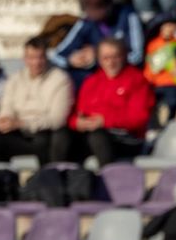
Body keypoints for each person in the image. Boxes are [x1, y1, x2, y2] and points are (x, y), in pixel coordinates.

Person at [51, 37, 154, 166]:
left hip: (126, 138)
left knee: (97, 136)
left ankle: (110, 181)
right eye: (106, 58)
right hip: (93, 134)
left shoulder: (137, 80)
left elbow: (139, 117)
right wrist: (77, 122)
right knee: (62, 135)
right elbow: (77, 112)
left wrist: (105, 120)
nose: (111, 63)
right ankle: (57, 177)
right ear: (99, 59)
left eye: (115, 57)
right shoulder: (92, 82)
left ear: (124, 57)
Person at [0, 36, 72, 165]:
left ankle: (47, 178)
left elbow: (57, 119)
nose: (36, 62)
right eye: (32, 58)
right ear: (24, 58)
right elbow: (7, 106)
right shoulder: (15, 79)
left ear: (46, 57)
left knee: (47, 137)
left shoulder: (60, 79)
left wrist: (23, 123)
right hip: (18, 133)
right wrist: (4, 119)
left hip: (44, 133)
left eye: (40, 57)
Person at [49, 0, 144, 90]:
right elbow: (57, 56)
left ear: (109, 6)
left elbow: (137, 57)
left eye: (99, 11)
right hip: (93, 78)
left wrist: (100, 58)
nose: (95, 17)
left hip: (123, 77)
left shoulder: (127, 16)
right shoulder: (87, 21)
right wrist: (71, 60)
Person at [142, 15, 176, 120]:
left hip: (172, 83)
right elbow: (150, 66)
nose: (169, 29)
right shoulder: (153, 45)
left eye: (173, 26)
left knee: (174, 99)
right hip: (155, 83)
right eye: (167, 26)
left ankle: (169, 120)